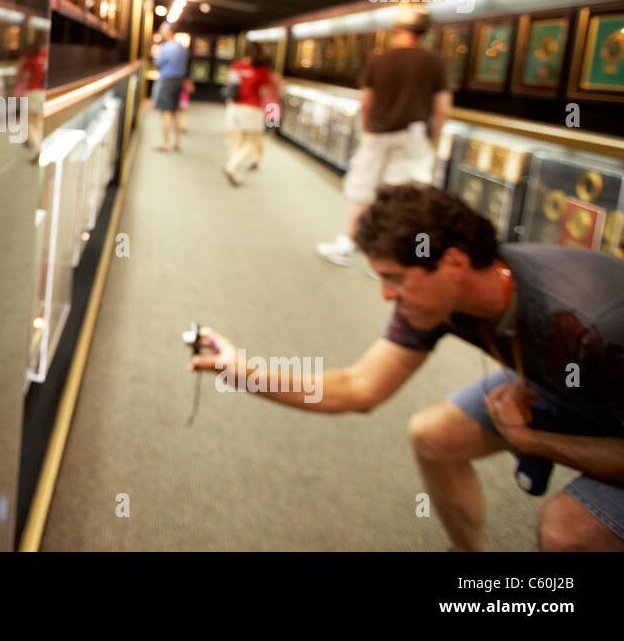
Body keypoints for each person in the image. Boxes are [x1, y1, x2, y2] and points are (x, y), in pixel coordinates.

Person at [190, 184, 624, 551]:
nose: (386, 296)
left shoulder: (591, 324)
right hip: (565, 383)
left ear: (453, 263)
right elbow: (358, 388)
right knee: (433, 437)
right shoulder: (441, 299)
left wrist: (534, 441)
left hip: (600, 383)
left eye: (395, 278)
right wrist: (239, 371)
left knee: (566, 531)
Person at [317, 5, 452, 265]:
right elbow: (441, 109)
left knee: (362, 189)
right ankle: (388, 257)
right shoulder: (435, 62)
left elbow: (366, 102)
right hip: (414, 137)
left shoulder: (380, 60)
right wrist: (432, 143)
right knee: (403, 198)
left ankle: (346, 243)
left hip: (377, 134)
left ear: (397, 29)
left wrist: (367, 129)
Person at [222, 42, 278, 186]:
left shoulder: (236, 66)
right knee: (253, 142)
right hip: (252, 109)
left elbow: (229, 84)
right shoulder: (262, 70)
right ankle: (232, 166)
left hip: (234, 108)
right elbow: (264, 92)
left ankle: (235, 172)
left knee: (237, 140)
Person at [151, 22, 189, 152]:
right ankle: (177, 142)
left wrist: (154, 53)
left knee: (165, 112)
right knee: (176, 111)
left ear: (169, 31)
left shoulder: (165, 47)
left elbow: (158, 63)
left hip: (166, 81)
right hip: (179, 81)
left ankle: (166, 143)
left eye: (162, 30)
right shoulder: (181, 47)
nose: (161, 33)